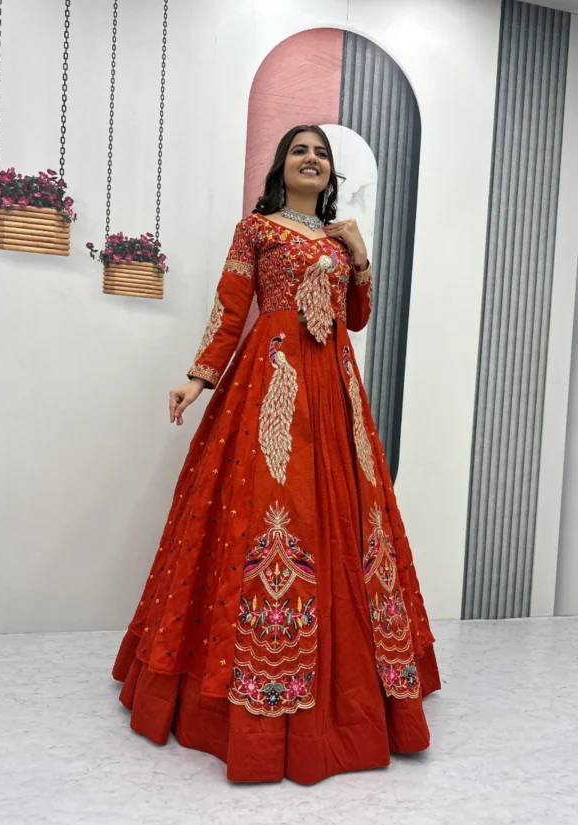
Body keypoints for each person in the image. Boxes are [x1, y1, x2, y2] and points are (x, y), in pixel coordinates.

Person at [112, 125, 441, 785]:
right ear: (281, 167)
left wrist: (360, 256)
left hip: (336, 392)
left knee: (346, 520)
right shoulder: (256, 230)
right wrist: (198, 378)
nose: (311, 159)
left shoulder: (340, 238)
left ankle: (356, 688)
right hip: (273, 384)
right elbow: (231, 308)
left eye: (321, 153)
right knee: (270, 512)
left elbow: (355, 318)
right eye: (300, 150)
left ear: (330, 173)